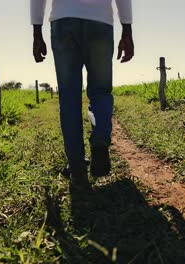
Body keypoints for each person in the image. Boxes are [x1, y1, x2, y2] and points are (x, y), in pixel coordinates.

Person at [30, 0, 134, 190]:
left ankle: (77, 168)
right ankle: (100, 139)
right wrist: (127, 30)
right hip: (100, 23)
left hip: (63, 21)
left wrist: (37, 32)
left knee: (69, 97)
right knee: (101, 91)